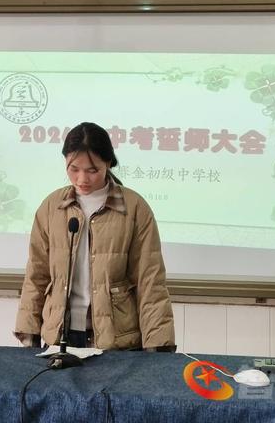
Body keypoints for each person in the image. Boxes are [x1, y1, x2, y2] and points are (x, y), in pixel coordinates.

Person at [15, 122, 175, 351]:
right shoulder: (52, 207)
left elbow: (149, 280)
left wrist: (158, 344)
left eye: (92, 170)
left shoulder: (134, 208)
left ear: (108, 163)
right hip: (60, 335)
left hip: (117, 339)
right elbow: (36, 274)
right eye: (74, 169)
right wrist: (28, 330)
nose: (82, 179)